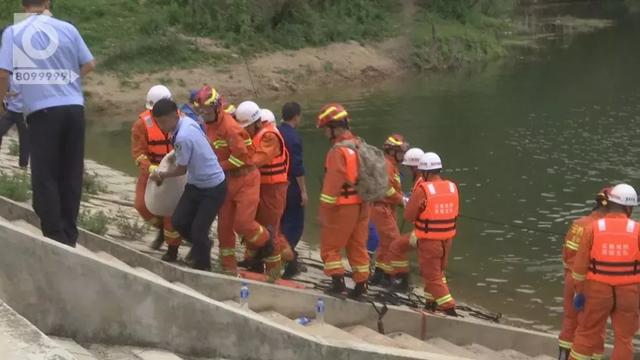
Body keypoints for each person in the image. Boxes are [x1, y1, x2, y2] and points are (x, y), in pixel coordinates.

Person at [0, 0, 95, 247]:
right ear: (48, 2)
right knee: (71, 172)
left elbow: (3, 73)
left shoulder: (14, 31)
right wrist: (63, 80)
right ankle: (70, 234)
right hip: (74, 108)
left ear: (23, 4)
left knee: (45, 175)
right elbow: (89, 64)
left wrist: (2, 100)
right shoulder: (68, 28)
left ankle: (55, 236)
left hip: (43, 112)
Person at [195, 86, 271, 273]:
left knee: (243, 223)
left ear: (217, 108)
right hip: (226, 180)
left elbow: (242, 158)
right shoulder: (208, 125)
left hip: (245, 179)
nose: (203, 113)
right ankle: (229, 267)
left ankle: (269, 244)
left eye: (206, 110)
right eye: (201, 110)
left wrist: (218, 166)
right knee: (224, 227)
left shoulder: (230, 128)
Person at [149, 99, 227, 271]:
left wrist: (161, 174)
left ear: (174, 116)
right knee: (178, 221)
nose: (161, 126)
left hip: (213, 187)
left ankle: (203, 268)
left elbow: (181, 170)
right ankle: (203, 245)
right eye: (158, 122)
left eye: (163, 122)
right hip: (195, 184)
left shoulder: (183, 136)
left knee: (199, 231)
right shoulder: (186, 122)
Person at [569, 184, 640, 360]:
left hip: (597, 290)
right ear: (629, 207)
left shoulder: (593, 228)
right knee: (624, 339)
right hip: (629, 292)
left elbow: (579, 267)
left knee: (586, 333)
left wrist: (579, 291)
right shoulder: (637, 230)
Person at [317, 103, 370, 298]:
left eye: (326, 129)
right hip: (364, 204)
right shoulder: (359, 144)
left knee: (330, 246)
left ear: (334, 127)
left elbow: (331, 187)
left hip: (343, 207)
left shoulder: (337, 152)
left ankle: (338, 283)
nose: (325, 134)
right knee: (357, 246)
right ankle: (361, 285)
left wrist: (324, 212)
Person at [236, 102, 290, 278]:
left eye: (247, 127)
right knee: (254, 225)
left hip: (273, 189)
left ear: (255, 122)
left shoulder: (269, 136)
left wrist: (235, 163)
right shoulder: (257, 133)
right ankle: (253, 262)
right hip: (259, 185)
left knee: (270, 230)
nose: (246, 131)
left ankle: (274, 271)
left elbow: (257, 159)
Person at [131, 85, 182, 260]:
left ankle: (172, 248)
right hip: (152, 169)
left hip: (174, 173)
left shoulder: (182, 121)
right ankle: (160, 229)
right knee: (141, 205)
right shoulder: (141, 124)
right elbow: (138, 152)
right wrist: (150, 167)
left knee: (170, 213)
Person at [404, 152, 459, 316]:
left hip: (430, 241)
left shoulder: (423, 189)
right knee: (437, 272)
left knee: (431, 275)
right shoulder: (451, 187)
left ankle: (449, 307)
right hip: (447, 239)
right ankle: (430, 304)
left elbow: (408, 216)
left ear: (425, 172)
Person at [557, 188, 609, 360]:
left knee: (570, 321)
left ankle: (563, 356)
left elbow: (566, 254)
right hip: (589, 282)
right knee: (594, 327)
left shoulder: (578, 223)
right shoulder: (602, 229)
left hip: (570, 277)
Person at [369, 134, 408, 287]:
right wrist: (402, 200)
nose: (403, 155)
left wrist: (401, 197)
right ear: (392, 151)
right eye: (401, 151)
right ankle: (398, 277)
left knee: (385, 245)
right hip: (381, 208)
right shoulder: (387, 165)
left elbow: (392, 188)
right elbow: (387, 190)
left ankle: (380, 273)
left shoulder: (391, 165)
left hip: (387, 208)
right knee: (395, 243)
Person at [278, 102, 309, 278]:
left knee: (280, 222)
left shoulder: (275, 132)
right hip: (291, 185)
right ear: (296, 116)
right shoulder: (294, 138)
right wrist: (303, 191)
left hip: (276, 184)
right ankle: (289, 260)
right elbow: (297, 168)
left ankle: (281, 256)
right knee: (294, 225)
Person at [388, 147, 425, 291]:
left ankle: (402, 281)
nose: (409, 170)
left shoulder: (421, 181)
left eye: (410, 167)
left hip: (422, 231)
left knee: (396, 246)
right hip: (426, 229)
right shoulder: (422, 179)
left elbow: (412, 212)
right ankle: (404, 280)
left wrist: (405, 202)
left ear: (415, 167)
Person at [0, 77, 29, 168]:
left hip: (23, 113)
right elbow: (3, 91)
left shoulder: (29, 78)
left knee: (25, 139)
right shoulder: (9, 76)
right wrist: (9, 94)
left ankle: (23, 165)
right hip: (10, 110)